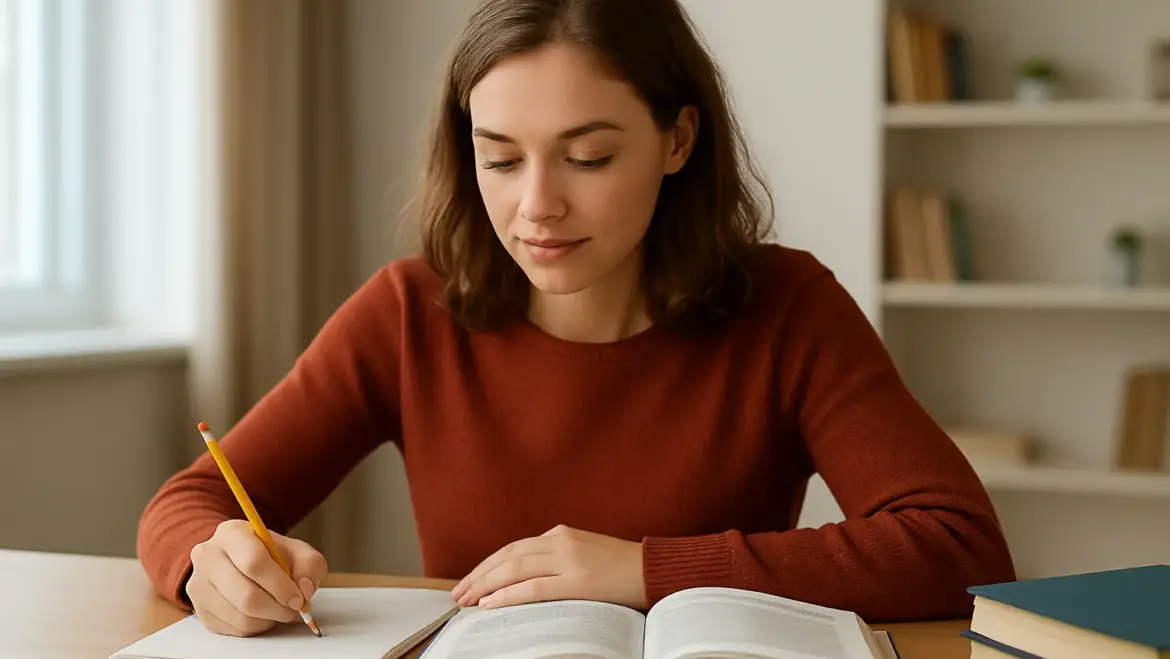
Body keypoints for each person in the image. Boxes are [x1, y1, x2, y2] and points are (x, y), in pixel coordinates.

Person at [137, 0, 1016, 639]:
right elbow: (190, 499)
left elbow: (956, 545)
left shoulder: (787, 306)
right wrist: (209, 559)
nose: (536, 207)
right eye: (500, 159)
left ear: (678, 140)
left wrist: (646, 569)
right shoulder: (411, 311)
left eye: (588, 157)